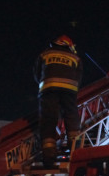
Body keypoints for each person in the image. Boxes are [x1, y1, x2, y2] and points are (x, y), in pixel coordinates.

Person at [34, 35, 82, 167]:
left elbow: (37, 73)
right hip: (69, 90)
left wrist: (45, 83)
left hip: (48, 89)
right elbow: (78, 77)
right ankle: (75, 148)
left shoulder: (45, 54)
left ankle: (49, 155)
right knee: (71, 115)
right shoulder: (75, 57)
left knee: (48, 119)